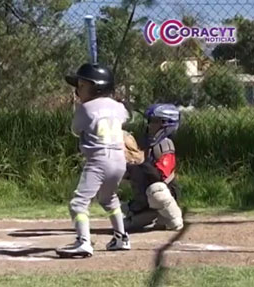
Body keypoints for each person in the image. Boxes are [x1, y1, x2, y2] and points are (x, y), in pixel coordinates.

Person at [55, 63, 131, 258]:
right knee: (109, 198)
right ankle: (121, 237)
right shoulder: (119, 107)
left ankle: (83, 242)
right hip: (119, 160)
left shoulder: (85, 109)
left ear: (97, 87)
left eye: (81, 85)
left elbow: (75, 130)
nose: (77, 90)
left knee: (78, 203)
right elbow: (125, 117)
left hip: (98, 160)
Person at [122, 103, 184, 231]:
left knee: (157, 190)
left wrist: (140, 162)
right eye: (150, 121)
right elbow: (133, 175)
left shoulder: (165, 145)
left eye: (155, 122)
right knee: (124, 224)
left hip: (164, 194)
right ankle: (159, 218)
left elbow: (160, 177)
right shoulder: (147, 145)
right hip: (146, 200)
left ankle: (174, 218)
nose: (150, 125)